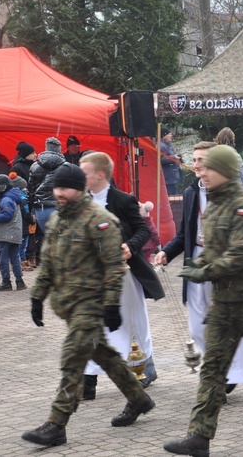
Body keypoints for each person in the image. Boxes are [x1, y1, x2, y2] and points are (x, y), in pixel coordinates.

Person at [22, 163, 154, 448]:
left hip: (91, 305)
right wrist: (37, 296)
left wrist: (110, 305)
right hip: (68, 304)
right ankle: (138, 398)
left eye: (64, 187)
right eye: (56, 187)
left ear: (79, 189)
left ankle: (56, 424)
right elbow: (48, 263)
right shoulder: (57, 220)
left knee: (73, 361)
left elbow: (113, 266)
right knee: (103, 354)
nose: (58, 192)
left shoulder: (100, 220)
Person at [163, 145, 243, 457]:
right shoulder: (213, 205)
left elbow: (240, 254)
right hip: (223, 302)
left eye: (207, 167)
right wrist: (200, 266)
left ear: (224, 170)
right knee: (212, 368)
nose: (200, 171)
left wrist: (205, 270)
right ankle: (198, 436)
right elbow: (211, 249)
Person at [79, 152, 165, 398]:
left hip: (125, 274)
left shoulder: (124, 200)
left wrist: (130, 246)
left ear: (100, 175)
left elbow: (142, 230)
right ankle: (87, 381)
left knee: (134, 322)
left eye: (83, 172)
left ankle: (145, 368)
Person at [28, 136, 66, 233]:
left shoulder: (34, 166)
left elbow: (31, 190)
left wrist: (32, 208)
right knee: (61, 240)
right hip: (59, 207)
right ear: (59, 149)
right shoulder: (66, 167)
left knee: (47, 240)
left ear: (46, 147)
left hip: (40, 208)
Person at [0, 174, 25, 291]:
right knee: (15, 257)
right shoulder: (13, 197)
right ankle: (20, 282)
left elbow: (6, 216)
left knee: (3, 258)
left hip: (5, 234)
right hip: (15, 232)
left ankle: (6, 282)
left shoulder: (6, 199)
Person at [160, 127, 182, 195]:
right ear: (164, 135)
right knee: (172, 195)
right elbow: (160, 160)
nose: (171, 135)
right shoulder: (161, 146)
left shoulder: (168, 144)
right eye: (169, 134)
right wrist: (173, 157)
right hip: (168, 178)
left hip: (173, 177)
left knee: (175, 194)